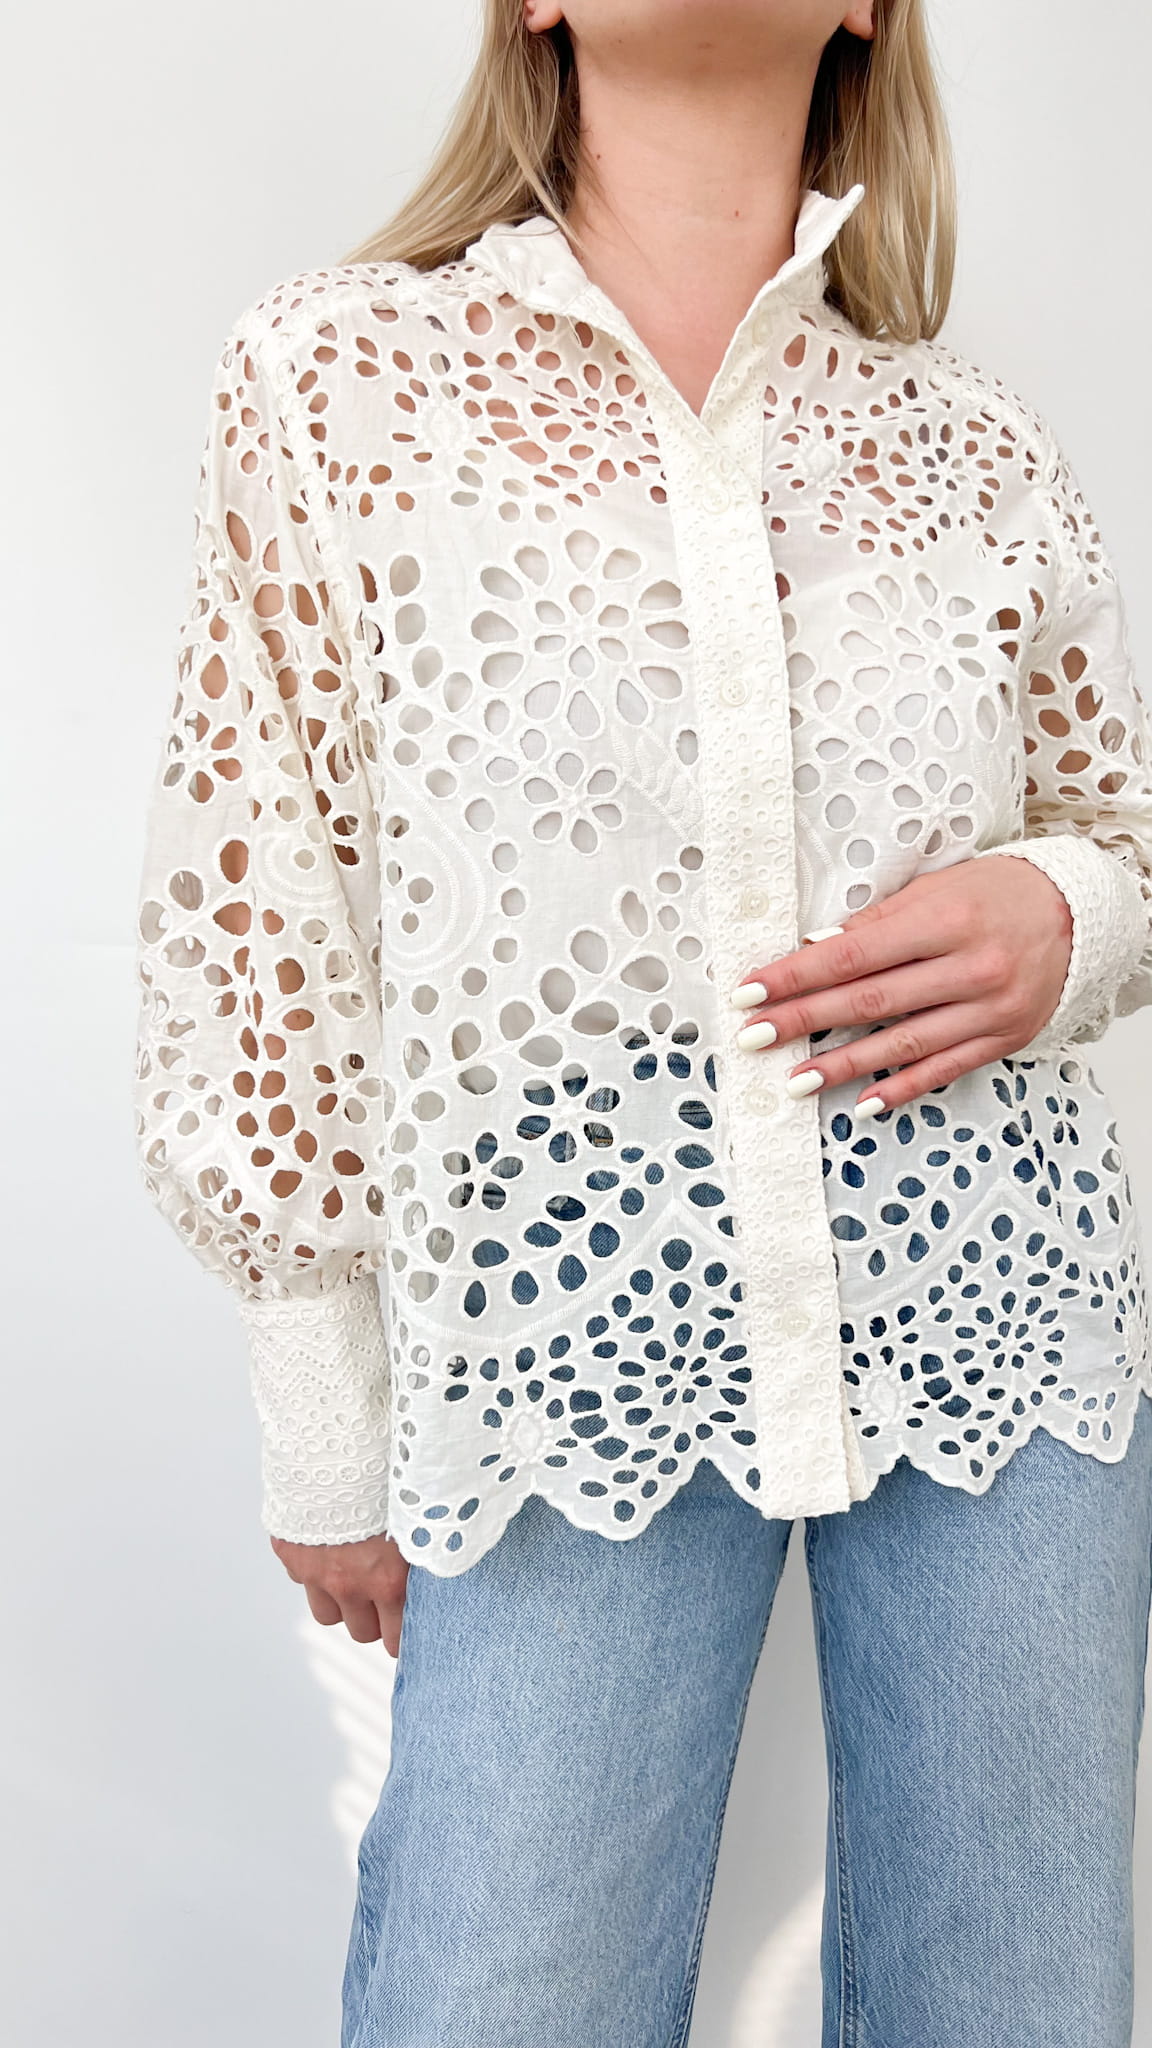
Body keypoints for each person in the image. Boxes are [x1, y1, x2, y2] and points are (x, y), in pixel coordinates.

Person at [131, 2, 1152, 2042]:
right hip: (562, 1304)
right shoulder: (340, 378)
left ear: (865, 9)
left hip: (1004, 1307)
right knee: (502, 1995)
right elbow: (263, 903)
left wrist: (1069, 912)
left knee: (1017, 2004)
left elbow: (1113, 821)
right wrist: (323, 1404)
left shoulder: (969, 442)